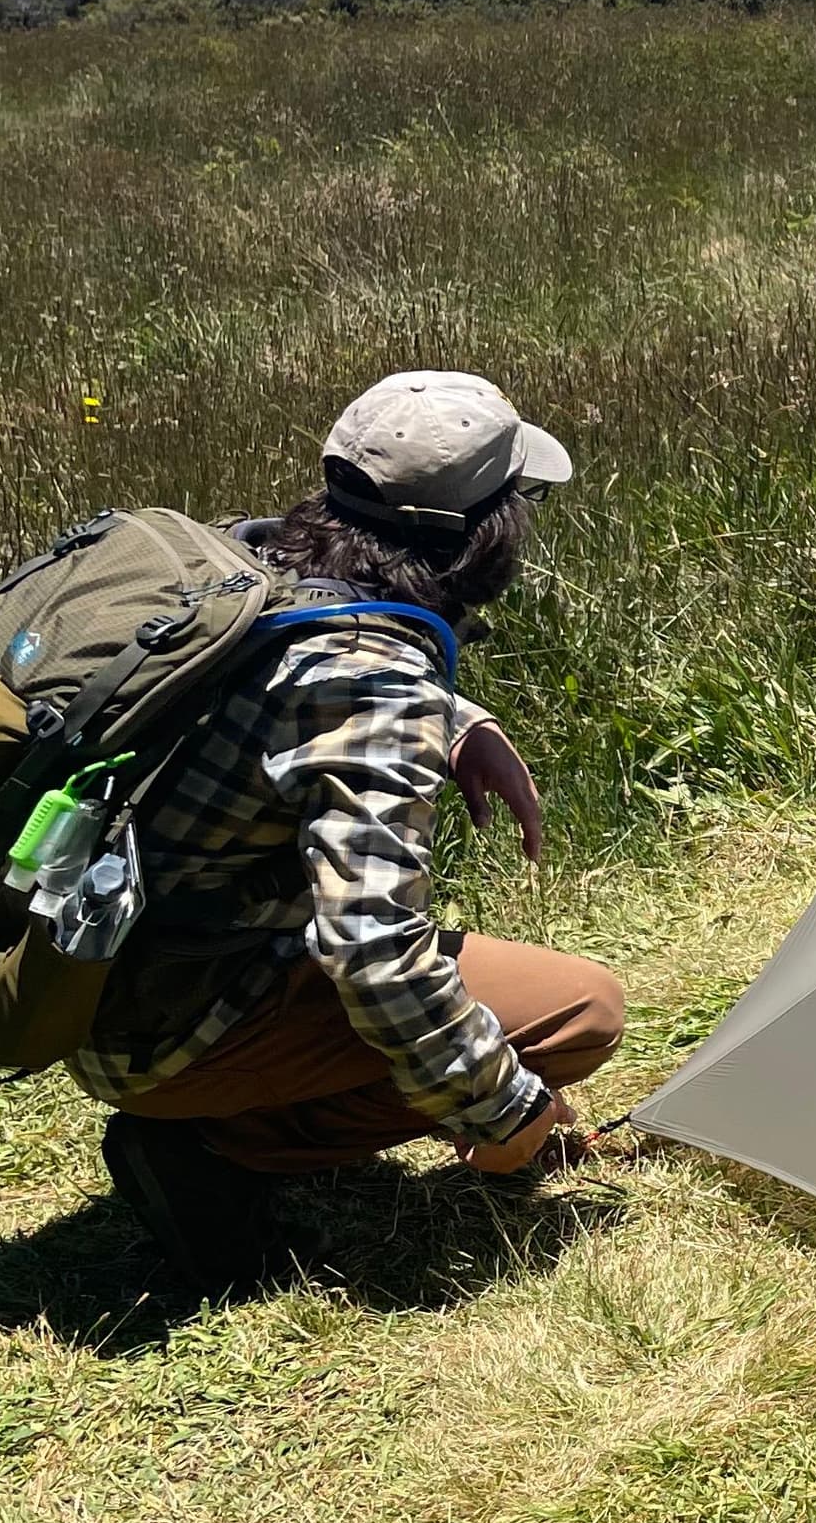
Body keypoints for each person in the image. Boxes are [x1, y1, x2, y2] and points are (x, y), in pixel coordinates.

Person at [75, 369, 626, 1290]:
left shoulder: (235, 563)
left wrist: (459, 718)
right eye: (517, 503)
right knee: (582, 1012)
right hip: (167, 1028)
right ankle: (221, 1147)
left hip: (82, 974)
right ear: (476, 537)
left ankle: (216, 1113)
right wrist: (508, 1117)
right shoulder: (378, 687)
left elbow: (303, 673)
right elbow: (372, 951)